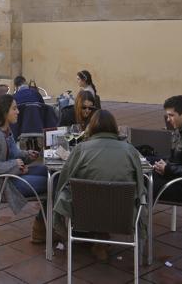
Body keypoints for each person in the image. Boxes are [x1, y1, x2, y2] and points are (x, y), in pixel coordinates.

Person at [54, 109, 145, 262]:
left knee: (63, 190)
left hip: (85, 214)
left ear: (91, 127)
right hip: (123, 214)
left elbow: (63, 181)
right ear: (114, 127)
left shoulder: (80, 149)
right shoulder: (130, 151)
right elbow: (141, 186)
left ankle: (85, 239)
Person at [0, 94, 48, 243]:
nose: (18, 111)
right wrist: (15, 165)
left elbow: (14, 155)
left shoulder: (6, 131)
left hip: (13, 176)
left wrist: (27, 155)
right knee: (53, 182)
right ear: (4, 112)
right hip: (7, 185)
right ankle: (42, 227)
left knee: (49, 171)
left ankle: (46, 224)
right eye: (14, 108)